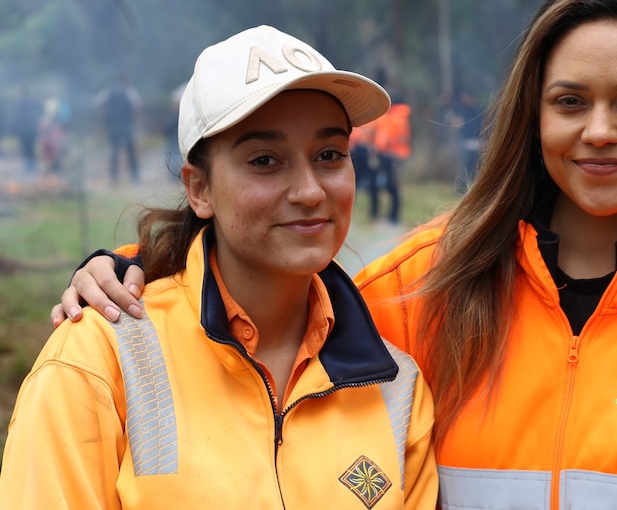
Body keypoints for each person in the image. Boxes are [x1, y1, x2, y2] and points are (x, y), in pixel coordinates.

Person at [51, 0, 617, 509]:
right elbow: (283, 292)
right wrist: (126, 267)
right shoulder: (430, 278)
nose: (600, 131)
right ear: (533, 116)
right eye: (570, 101)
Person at [1, 25, 438, 509]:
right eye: (266, 160)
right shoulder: (98, 360)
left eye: (330, 154)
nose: (311, 191)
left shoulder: (395, 388)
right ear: (199, 189)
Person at [368, 96, 411, 223]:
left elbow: (385, 139)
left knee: (391, 186)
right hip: (396, 156)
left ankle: (392, 216)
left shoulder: (394, 119)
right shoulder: (401, 118)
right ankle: (392, 215)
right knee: (392, 186)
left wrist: (376, 149)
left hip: (390, 156)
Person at [94, 75, 142, 184]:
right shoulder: (129, 90)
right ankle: (135, 177)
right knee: (130, 151)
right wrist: (134, 121)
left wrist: (103, 121)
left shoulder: (107, 91)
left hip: (113, 125)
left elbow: (97, 105)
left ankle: (113, 177)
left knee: (114, 151)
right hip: (126, 124)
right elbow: (137, 106)